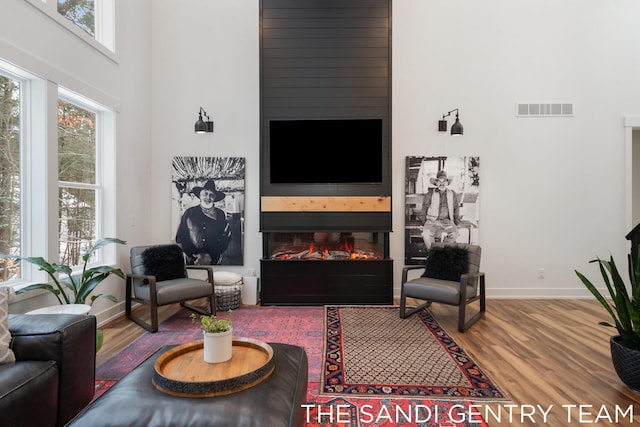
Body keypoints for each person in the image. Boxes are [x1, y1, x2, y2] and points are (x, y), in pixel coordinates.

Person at [176, 180, 231, 265]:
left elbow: (225, 238)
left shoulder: (220, 215)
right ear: (200, 196)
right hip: (193, 260)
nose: (208, 197)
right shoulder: (189, 213)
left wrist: (211, 255)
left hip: (214, 260)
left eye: (211, 195)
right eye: (205, 193)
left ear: (215, 198)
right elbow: (181, 236)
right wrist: (193, 255)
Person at [421, 170, 461, 250]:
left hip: (447, 221)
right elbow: (424, 207)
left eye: (444, 181)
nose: (442, 184)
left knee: (455, 234)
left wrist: (456, 222)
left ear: (447, 183)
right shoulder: (430, 193)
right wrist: (423, 222)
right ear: (436, 183)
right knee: (425, 234)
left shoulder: (452, 193)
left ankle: (441, 251)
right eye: (439, 181)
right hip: (432, 220)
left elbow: (456, 207)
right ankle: (432, 253)